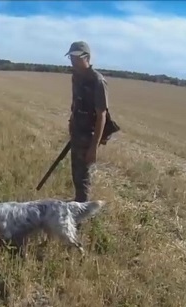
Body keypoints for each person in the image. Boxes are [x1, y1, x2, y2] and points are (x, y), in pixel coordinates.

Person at [65, 40, 110, 203]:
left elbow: (101, 115)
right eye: (71, 57)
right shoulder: (76, 77)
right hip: (77, 132)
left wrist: (93, 147)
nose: (73, 61)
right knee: (76, 174)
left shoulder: (97, 81)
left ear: (87, 57)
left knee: (83, 178)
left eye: (77, 57)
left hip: (88, 137)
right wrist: (72, 123)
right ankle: (78, 202)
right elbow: (75, 103)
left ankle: (80, 216)